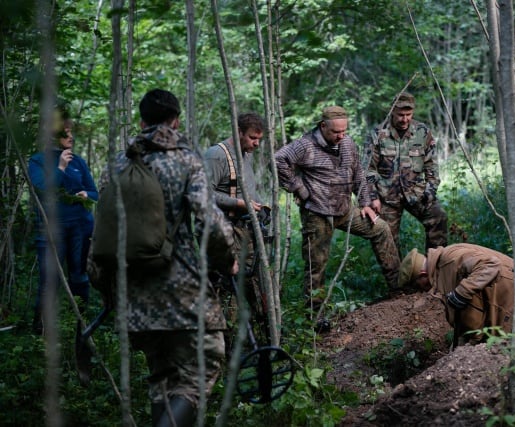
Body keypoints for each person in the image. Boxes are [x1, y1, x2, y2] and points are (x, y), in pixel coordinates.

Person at [94, 89, 237, 426]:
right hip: (184, 291)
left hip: (134, 292)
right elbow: (208, 219)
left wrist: (102, 283)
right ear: (176, 121)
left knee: (162, 379)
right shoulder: (186, 160)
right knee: (199, 374)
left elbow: (101, 225)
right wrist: (226, 258)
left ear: (141, 121)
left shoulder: (118, 162)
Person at [275, 106, 401, 317]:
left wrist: (365, 202)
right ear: (323, 126)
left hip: (344, 209)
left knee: (380, 229)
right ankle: (315, 319)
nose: (341, 136)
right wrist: (299, 188)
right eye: (336, 132)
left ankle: (399, 288)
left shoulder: (348, 143)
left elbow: (357, 172)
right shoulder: (305, 145)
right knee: (317, 266)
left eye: (344, 131)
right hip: (317, 214)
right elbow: (278, 160)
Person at [28, 108, 97, 335]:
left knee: (80, 276)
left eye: (71, 133)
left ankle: (82, 325)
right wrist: (60, 167)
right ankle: (41, 329)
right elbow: (42, 188)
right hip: (51, 230)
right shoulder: (38, 161)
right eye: (66, 133)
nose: (71, 137)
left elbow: (94, 191)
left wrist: (87, 195)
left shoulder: (78, 161)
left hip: (80, 227)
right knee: (50, 280)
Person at [204, 112, 270, 340]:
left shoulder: (246, 153)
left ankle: (255, 338)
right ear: (238, 132)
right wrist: (239, 204)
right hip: (223, 230)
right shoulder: (216, 155)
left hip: (245, 230)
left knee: (251, 282)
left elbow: (247, 188)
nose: (256, 144)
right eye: (252, 138)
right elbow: (203, 194)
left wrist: (259, 205)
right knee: (226, 286)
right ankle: (225, 344)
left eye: (259, 139)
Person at [398, 244, 515, 346]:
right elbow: (465, 313)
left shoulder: (451, 258)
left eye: (418, 285)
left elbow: (490, 264)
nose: (422, 291)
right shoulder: (440, 272)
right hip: (509, 306)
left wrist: (461, 292)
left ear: (422, 275)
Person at [365, 91, 448, 256]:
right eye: (400, 115)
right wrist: (373, 197)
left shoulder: (422, 132)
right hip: (386, 197)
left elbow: (431, 166)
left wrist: (430, 190)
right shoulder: (378, 134)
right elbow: (368, 169)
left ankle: (434, 269)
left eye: (408, 115)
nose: (405, 119)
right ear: (392, 112)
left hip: (416, 193)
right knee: (386, 240)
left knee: (439, 217)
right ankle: (399, 279)